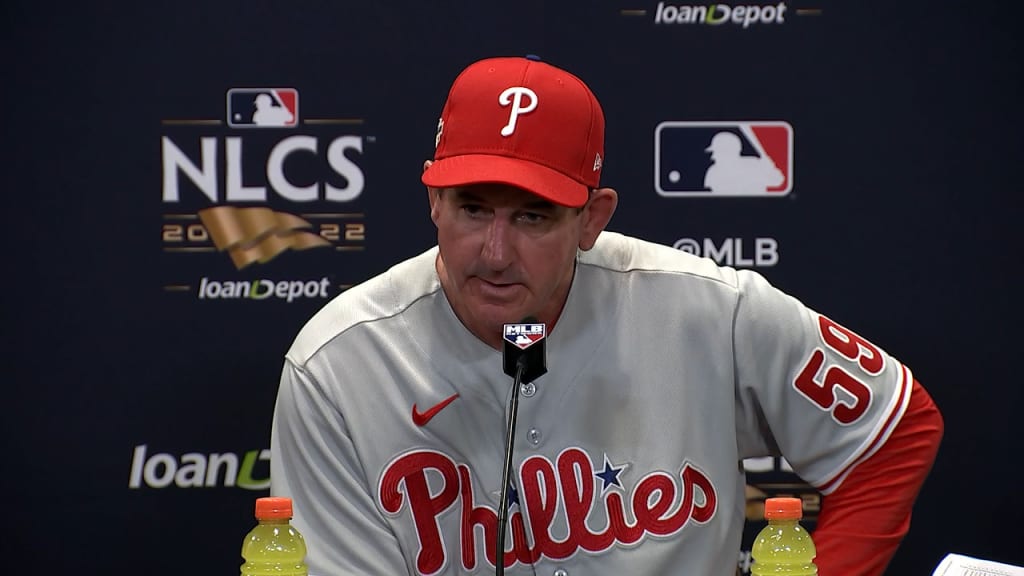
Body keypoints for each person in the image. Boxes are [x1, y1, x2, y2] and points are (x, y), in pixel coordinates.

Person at [270, 55, 943, 576]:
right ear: (432, 201)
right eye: (473, 208)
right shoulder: (337, 365)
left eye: (533, 217)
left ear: (593, 219)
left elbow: (895, 427)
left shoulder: (707, 310)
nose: (496, 252)